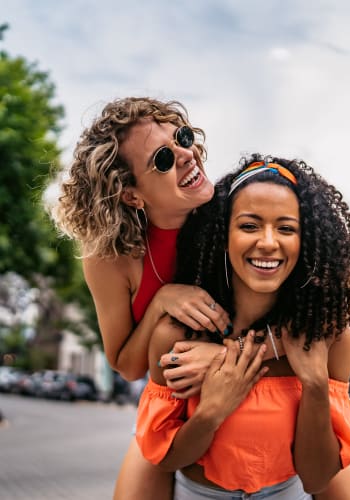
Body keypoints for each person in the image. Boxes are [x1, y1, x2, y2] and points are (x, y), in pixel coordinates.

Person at [136, 155, 350, 498]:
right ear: (223, 236)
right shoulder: (177, 335)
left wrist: (315, 384)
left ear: (304, 242)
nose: (268, 242)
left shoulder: (329, 338)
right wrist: (212, 410)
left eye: (286, 228)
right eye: (249, 225)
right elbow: (167, 459)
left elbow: (317, 479)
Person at [50, 97, 232, 499]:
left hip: (251, 390)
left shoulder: (239, 217)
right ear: (132, 194)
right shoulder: (109, 259)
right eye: (163, 160)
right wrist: (161, 302)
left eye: (182, 138)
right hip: (168, 408)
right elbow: (125, 365)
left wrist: (222, 358)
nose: (187, 155)